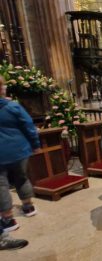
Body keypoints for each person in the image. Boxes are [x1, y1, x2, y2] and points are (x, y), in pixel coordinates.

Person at [0, 76, 40, 232]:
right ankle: (28, 207)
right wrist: (35, 145)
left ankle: (8, 219)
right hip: (19, 150)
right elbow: (29, 126)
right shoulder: (13, 107)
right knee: (21, 177)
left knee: (1, 185)